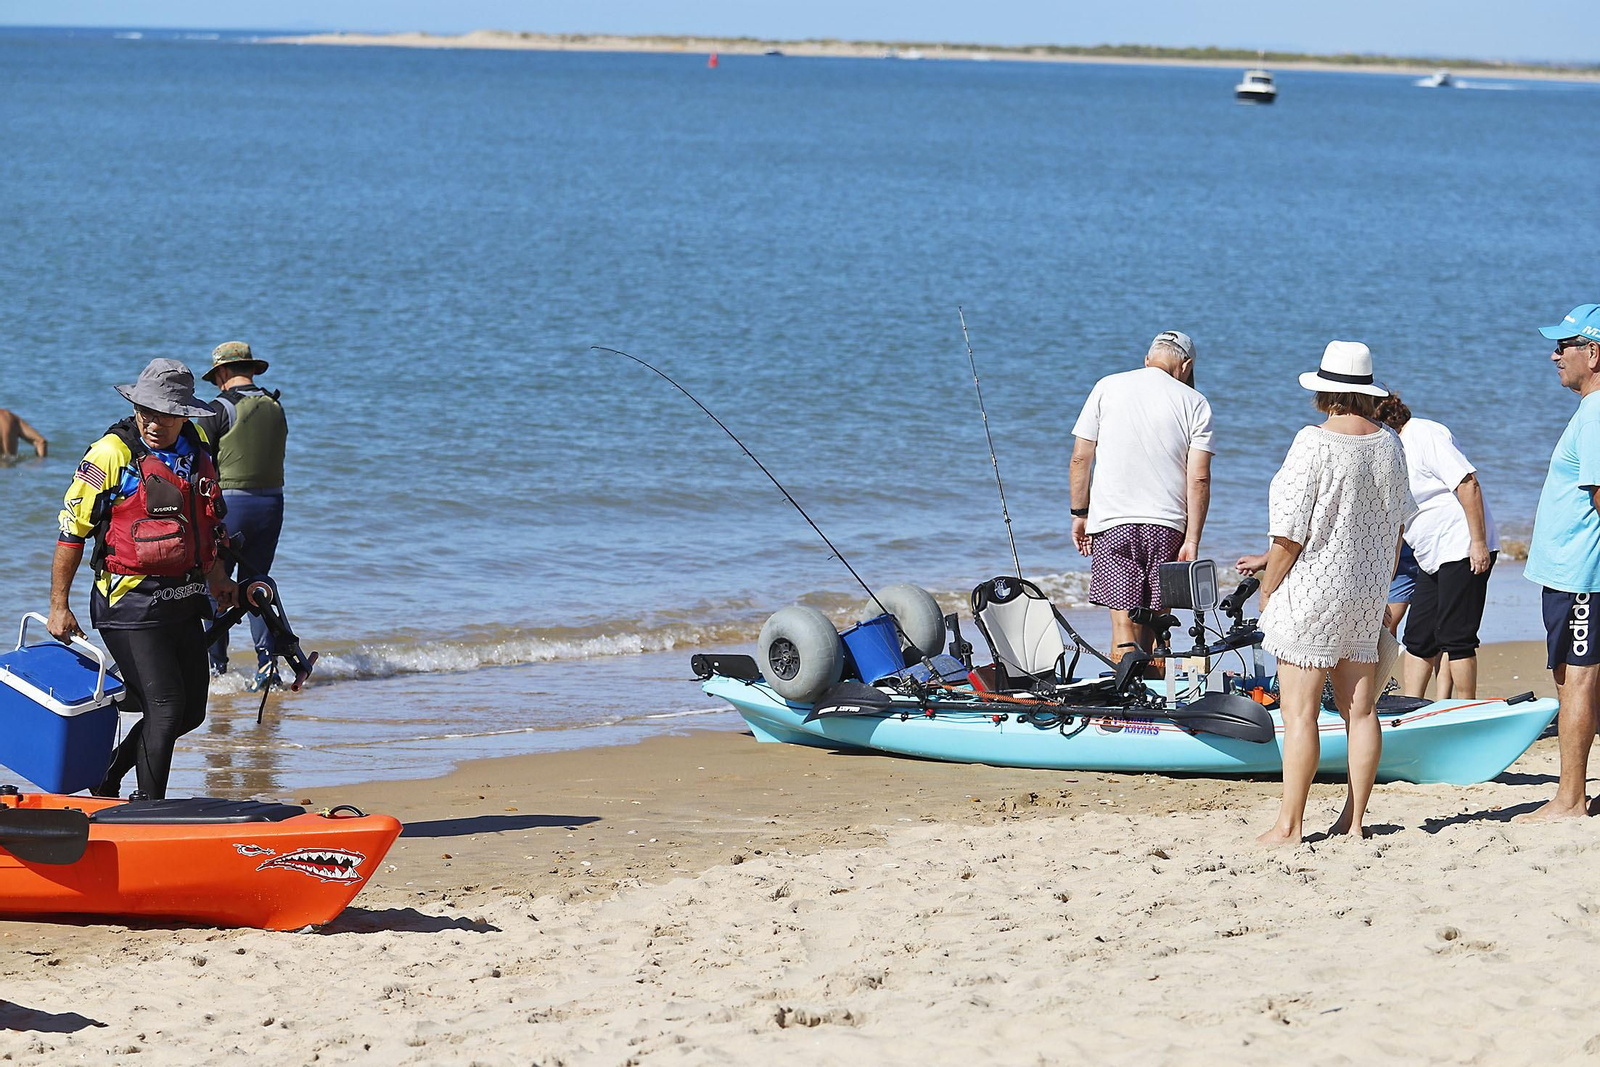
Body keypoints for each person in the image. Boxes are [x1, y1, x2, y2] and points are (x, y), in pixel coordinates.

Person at [49, 359, 237, 800]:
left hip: (184, 600)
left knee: (190, 712)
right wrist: (59, 605)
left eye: (167, 412)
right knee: (166, 707)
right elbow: (71, 532)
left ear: (185, 414)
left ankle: (107, 777)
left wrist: (219, 578)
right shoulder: (110, 455)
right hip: (129, 603)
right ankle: (150, 808)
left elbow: (205, 525)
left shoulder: (198, 455)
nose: (154, 422)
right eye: (146, 410)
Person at [1254, 341, 1416, 846]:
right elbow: (1396, 530)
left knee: (1299, 714)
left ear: (1326, 392)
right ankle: (1355, 821)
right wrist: (1378, 584)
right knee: (1361, 712)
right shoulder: (1390, 443)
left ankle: (1290, 825)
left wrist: (1267, 588)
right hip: (1367, 592)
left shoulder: (1313, 442)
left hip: (1314, 591)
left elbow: (1288, 534)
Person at [1069, 330, 1214, 662]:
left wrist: (1080, 512)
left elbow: (1080, 458)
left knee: (1124, 624)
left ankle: (1126, 706)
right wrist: (1192, 539)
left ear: (1148, 360)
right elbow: (1199, 478)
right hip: (1167, 527)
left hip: (1112, 525)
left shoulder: (1107, 386)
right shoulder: (1195, 403)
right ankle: (1158, 702)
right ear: (1187, 365)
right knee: (1158, 626)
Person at [1519, 303, 1600, 822]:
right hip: (1572, 576)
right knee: (1576, 679)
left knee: (1577, 679)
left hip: (1581, 578)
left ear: (1593, 354)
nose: (1554, 355)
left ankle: (1570, 799)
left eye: (1564, 345)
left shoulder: (1596, 413)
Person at [1373, 393, 1498, 700]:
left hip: (1462, 545)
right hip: (1431, 556)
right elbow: (1398, 521)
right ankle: (1412, 708)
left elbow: (1467, 482)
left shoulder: (1424, 433)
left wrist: (1478, 543)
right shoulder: (1390, 452)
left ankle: (1466, 711)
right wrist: (1385, 574)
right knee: (1418, 636)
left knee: (1456, 637)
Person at [192, 341, 288, 691]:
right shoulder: (275, 405)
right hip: (272, 503)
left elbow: (198, 462)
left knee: (214, 584)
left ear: (221, 373)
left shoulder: (217, 409)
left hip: (231, 506)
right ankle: (268, 666)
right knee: (257, 582)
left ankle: (216, 669)